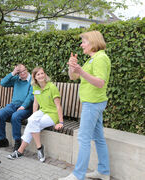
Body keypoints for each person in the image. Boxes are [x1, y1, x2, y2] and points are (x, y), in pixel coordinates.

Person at [59, 31, 111, 180]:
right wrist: (72, 66)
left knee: (83, 138)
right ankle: (103, 171)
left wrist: (81, 70)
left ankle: (78, 174)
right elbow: (73, 77)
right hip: (93, 103)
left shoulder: (100, 58)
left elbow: (100, 83)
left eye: (84, 42)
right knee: (99, 138)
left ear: (93, 42)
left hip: (93, 104)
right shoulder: (92, 60)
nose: (81, 45)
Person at [7, 67, 64, 162]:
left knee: (32, 124)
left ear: (45, 75)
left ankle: (20, 151)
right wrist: (34, 117)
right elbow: (35, 103)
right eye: (38, 74)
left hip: (52, 114)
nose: (41, 76)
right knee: (32, 121)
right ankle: (39, 148)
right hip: (42, 111)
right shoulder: (35, 87)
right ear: (35, 77)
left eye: (42, 73)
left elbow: (58, 106)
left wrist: (61, 122)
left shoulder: (52, 87)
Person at [0, 64, 34, 151]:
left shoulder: (32, 80)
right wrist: (13, 73)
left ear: (27, 70)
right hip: (13, 105)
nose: (22, 73)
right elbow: (3, 83)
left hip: (27, 107)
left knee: (15, 116)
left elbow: (31, 96)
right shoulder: (16, 79)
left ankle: (18, 141)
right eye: (20, 72)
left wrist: (24, 106)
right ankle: (2, 140)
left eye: (24, 71)